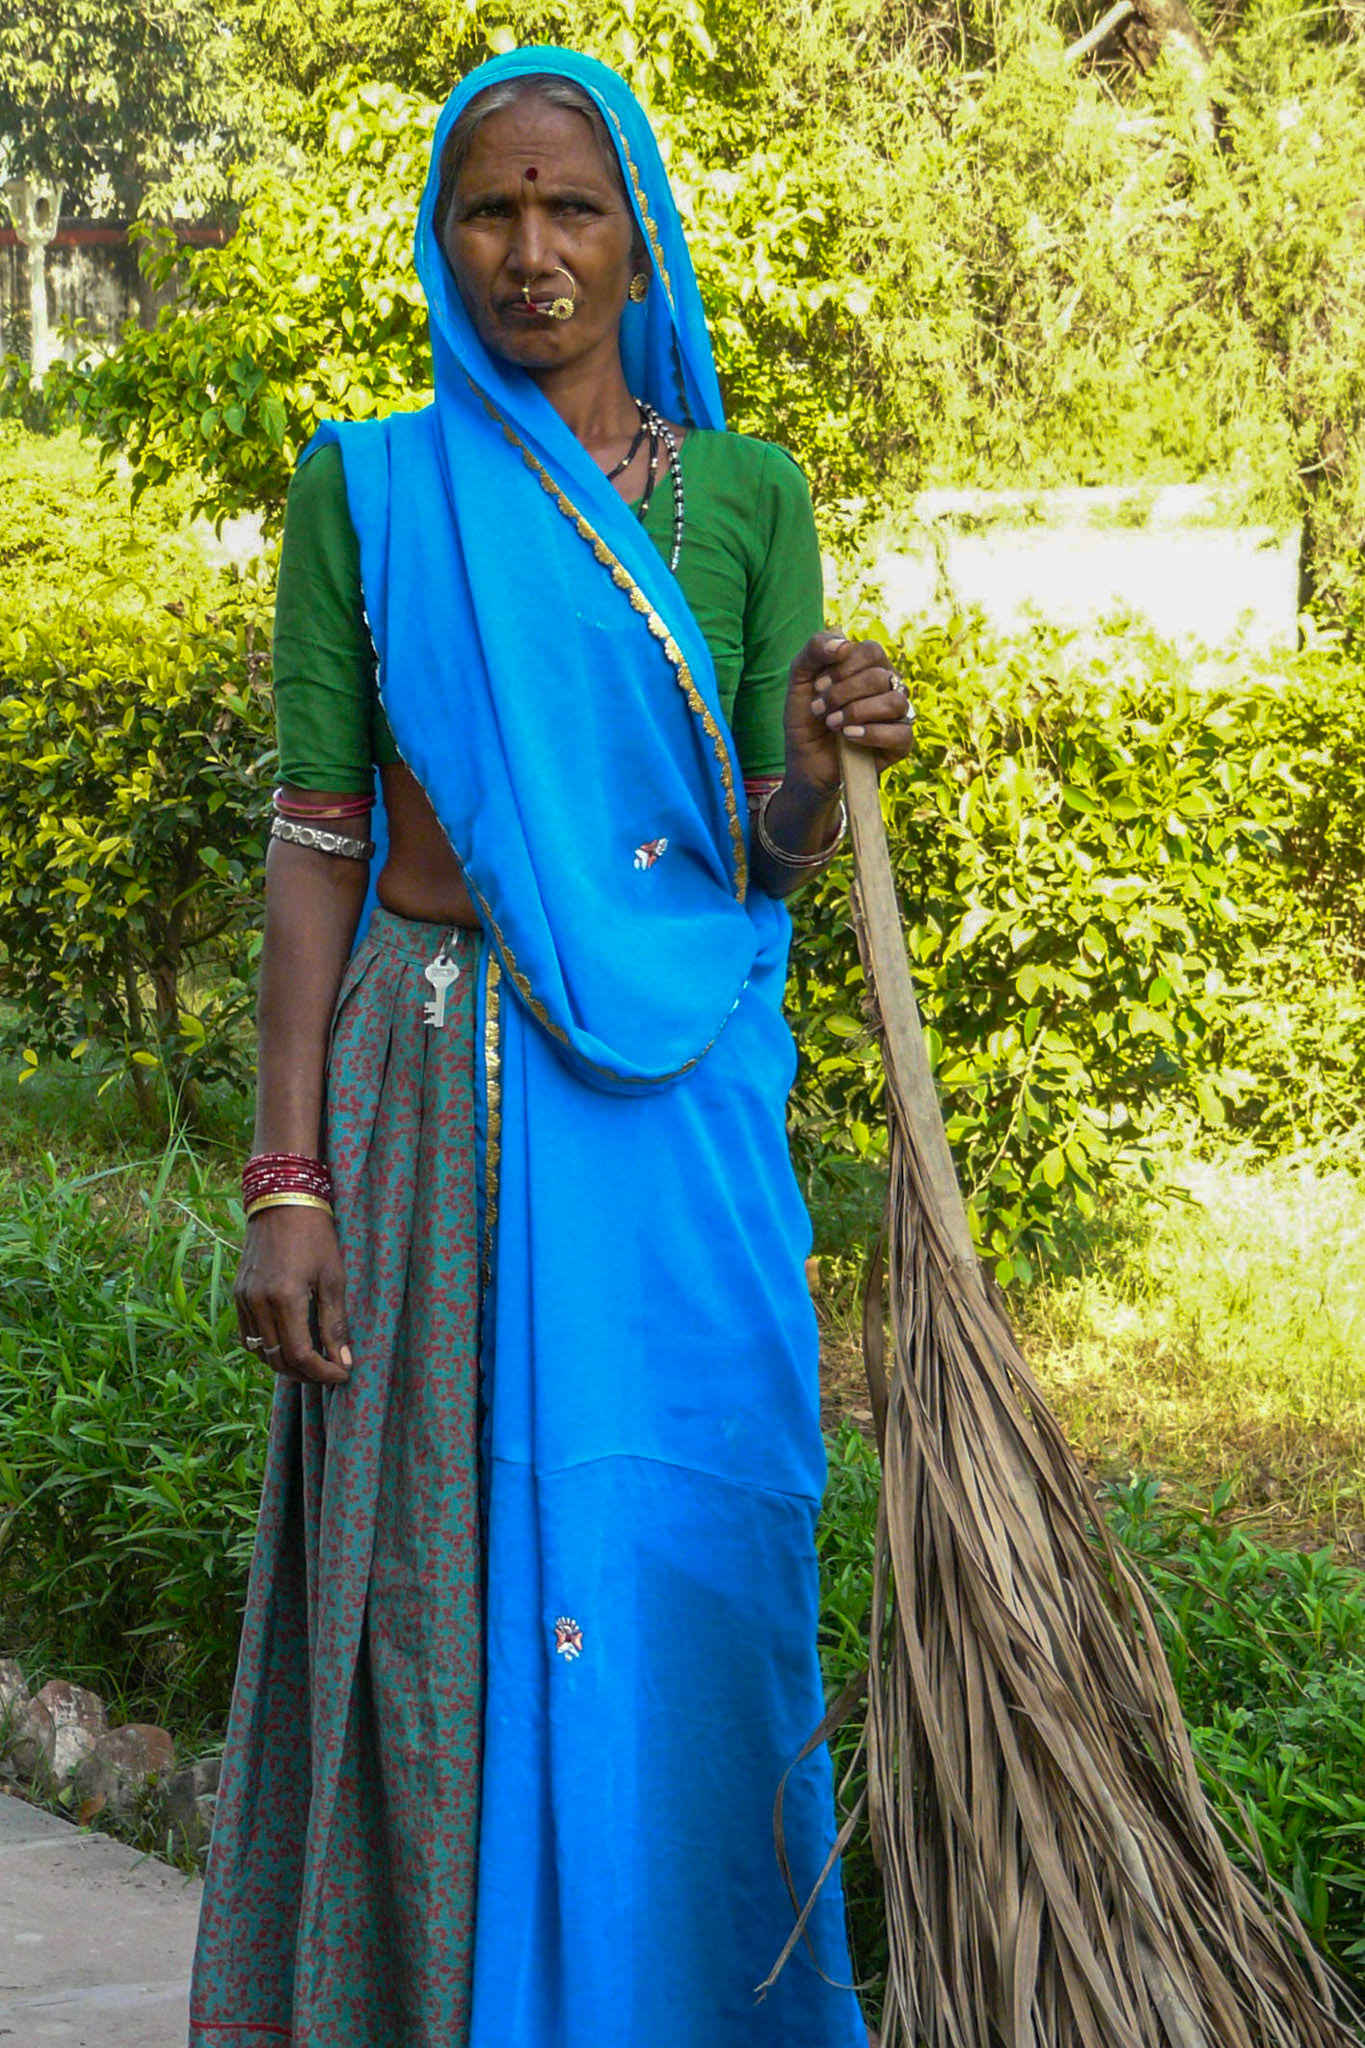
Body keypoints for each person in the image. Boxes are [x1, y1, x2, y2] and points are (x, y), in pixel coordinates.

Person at [188, 46, 914, 2048]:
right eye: (487, 209)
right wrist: (285, 1178)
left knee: (686, 1540)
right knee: (436, 1584)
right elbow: (320, 846)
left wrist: (831, 761)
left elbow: (758, 854)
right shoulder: (379, 491)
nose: (529, 251)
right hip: (430, 1098)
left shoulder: (749, 493)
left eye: (568, 208)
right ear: (442, 238)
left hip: (678, 1127)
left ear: (635, 240)